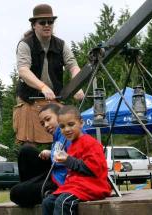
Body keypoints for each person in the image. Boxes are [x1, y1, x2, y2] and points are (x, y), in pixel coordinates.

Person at [13, 3, 84, 146]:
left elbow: (73, 66)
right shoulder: (25, 44)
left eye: (50, 22)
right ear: (34, 25)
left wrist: (78, 85)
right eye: (42, 22)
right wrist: (42, 87)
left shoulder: (61, 44)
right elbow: (23, 71)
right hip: (29, 100)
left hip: (53, 99)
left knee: (62, 141)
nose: (47, 25)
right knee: (28, 147)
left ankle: (61, 167)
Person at [42, 105, 111, 215]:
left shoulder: (90, 143)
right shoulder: (72, 145)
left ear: (81, 123)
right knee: (47, 202)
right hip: (75, 187)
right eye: (62, 126)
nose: (67, 129)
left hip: (92, 186)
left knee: (63, 202)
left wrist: (68, 160)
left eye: (71, 124)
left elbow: (93, 169)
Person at [10, 103, 71, 207]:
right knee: (26, 150)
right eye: (42, 124)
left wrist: (52, 154)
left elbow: (73, 158)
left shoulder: (69, 132)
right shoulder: (56, 137)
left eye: (48, 119)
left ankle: (47, 192)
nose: (46, 125)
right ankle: (28, 188)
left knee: (15, 193)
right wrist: (51, 153)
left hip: (62, 180)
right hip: (54, 172)